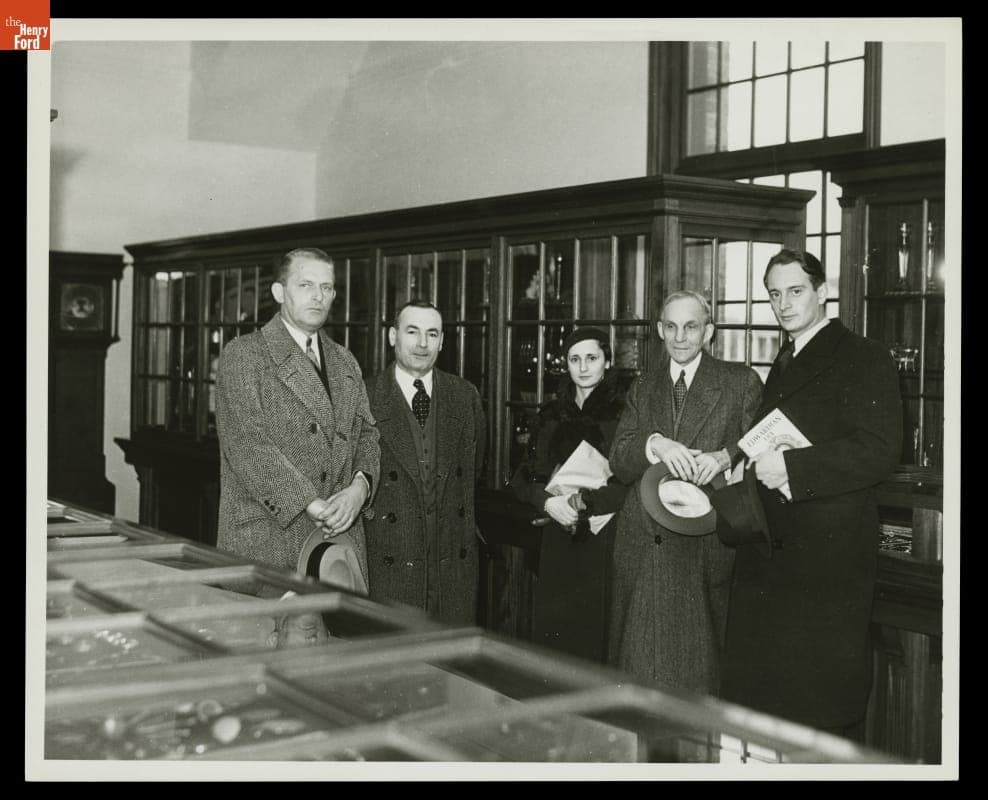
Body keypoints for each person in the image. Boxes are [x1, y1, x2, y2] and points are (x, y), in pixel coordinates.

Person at [719, 250, 902, 739]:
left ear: (823, 292)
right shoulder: (785, 359)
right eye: (774, 294)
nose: (783, 304)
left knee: (818, 715)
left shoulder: (862, 355)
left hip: (827, 559)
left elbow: (881, 450)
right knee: (771, 716)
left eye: (795, 291)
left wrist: (792, 468)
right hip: (776, 550)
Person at [607, 290, 763, 695]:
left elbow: (758, 448)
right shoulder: (644, 386)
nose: (680, 337)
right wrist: (654, 443)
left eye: (691, 327)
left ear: (708, 332)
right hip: (642, 543)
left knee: (697, 682)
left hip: (703, 546)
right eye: (671, 327)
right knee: (636, 679)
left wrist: (725, 458)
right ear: (659, 330)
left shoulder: (739, 382)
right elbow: (619, 460)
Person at [214, 247, 380, 591]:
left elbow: (367, 435)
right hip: (271, 541)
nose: (318, 297)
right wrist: (310, 503)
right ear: (279, 292)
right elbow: (248, 448)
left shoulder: (345, 360)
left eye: (327, 288)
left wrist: (359, 489)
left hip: (338, 547)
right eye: (306, 285)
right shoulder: (244, 355)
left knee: (337, 642)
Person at [509, 327, 628, 663]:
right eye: (575, 359)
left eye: (592, 358)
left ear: (608, 361)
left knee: (597, 635)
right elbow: (523, 477)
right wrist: (547, 501)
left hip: (603, 534)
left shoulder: (622, 414)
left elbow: (630, 479)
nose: (584, 367)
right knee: (556, 636)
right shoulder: (550, 414)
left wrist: (585, 505)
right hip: (556, 529)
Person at [363, 300, 486, 625]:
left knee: (451, 664)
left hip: (451, 565)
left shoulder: (464, 396)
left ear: (442, 341)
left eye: (432, 334)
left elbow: (475, 471)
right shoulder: (365, 396)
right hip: (389, 562)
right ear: (392, 336)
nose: (422, 344)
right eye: (412, 331)